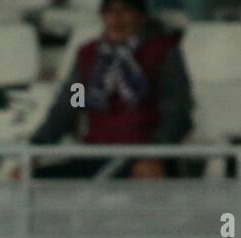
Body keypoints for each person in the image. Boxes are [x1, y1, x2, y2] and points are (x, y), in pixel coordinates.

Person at [30, 0, 191, 179]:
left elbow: (176, 112)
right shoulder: (87, 55)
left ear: (141, 16)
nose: (116, 18)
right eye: (109, 11)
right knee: (31, 180)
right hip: (95, 156)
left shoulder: (164, 53)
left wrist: (155, 155)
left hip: (144, 157)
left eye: (125, 11)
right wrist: (33, 150)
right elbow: (68, 108)